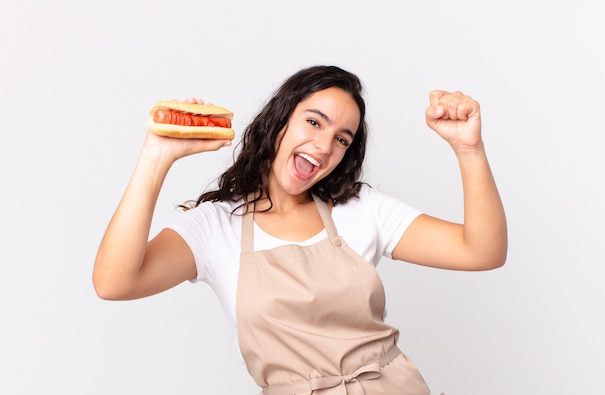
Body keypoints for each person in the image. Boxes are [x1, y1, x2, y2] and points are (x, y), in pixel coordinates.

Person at [93, 65, 507, 394]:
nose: (326, 146)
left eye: (342, 139)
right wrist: (157, 156)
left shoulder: (360, 209)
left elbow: (482, 252)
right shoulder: (215, 226)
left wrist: (468, 149)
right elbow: (114, 282)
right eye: (314, 122)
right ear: (279, 121)